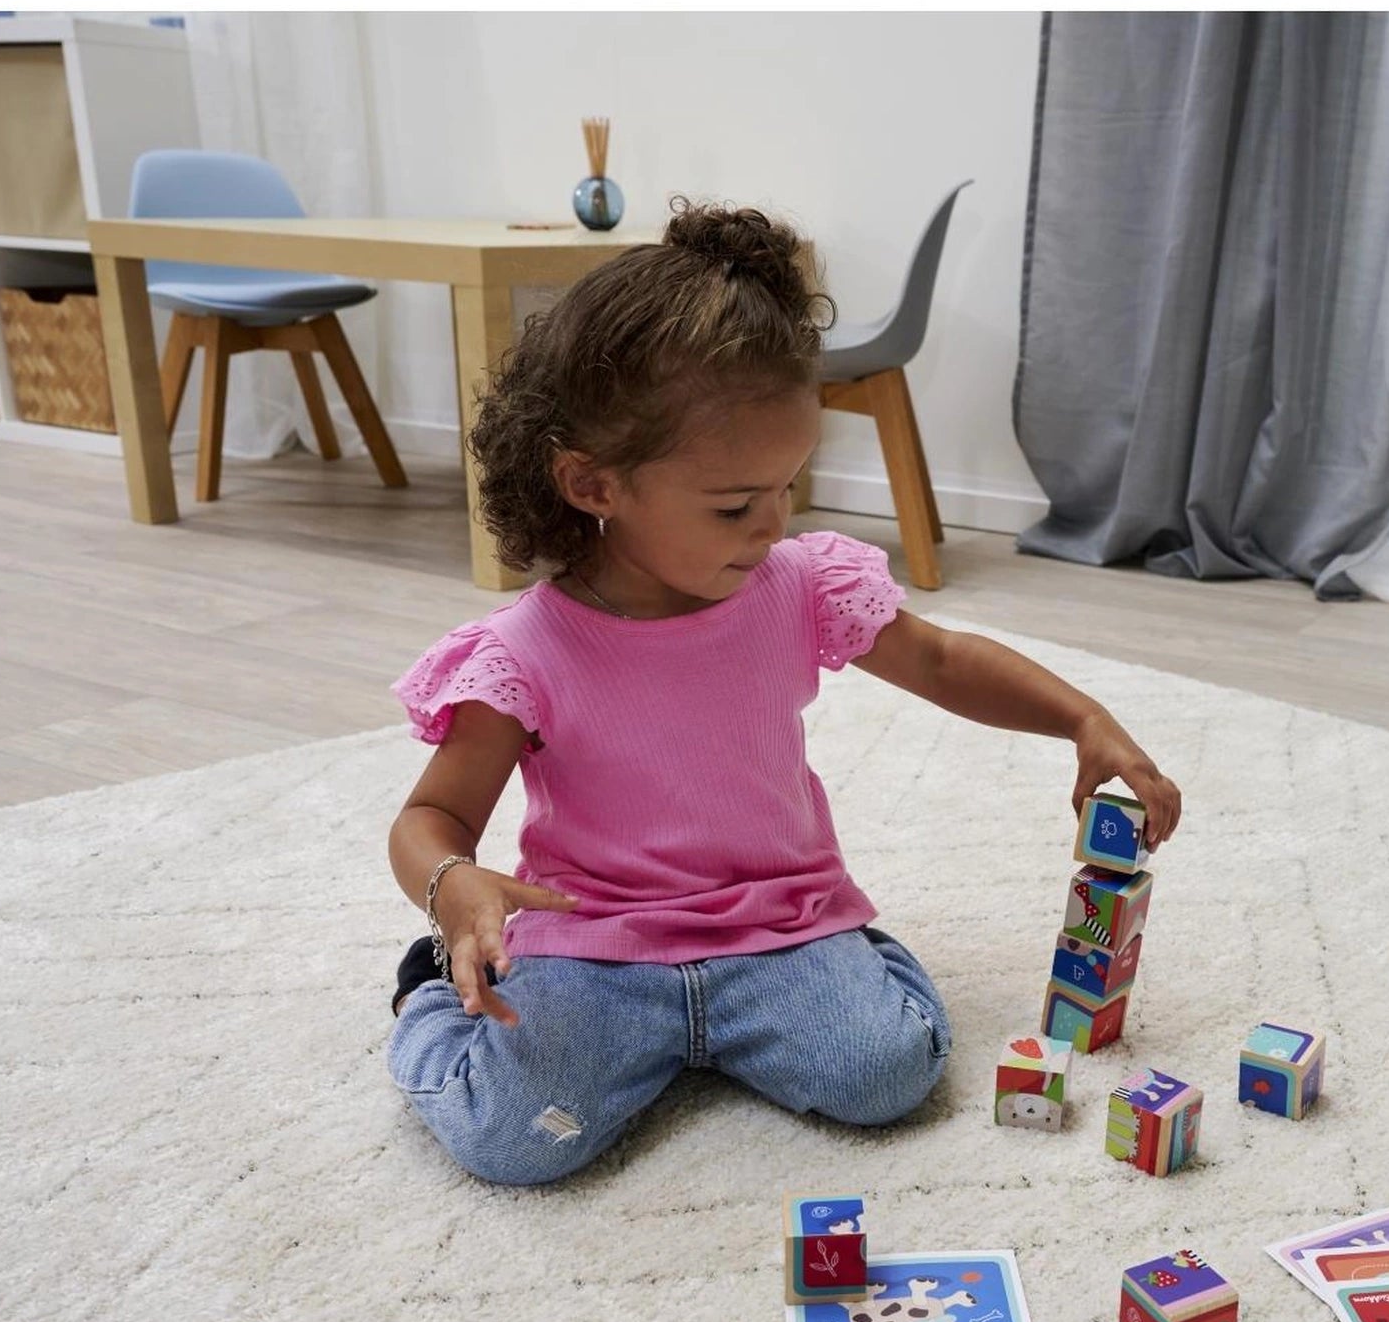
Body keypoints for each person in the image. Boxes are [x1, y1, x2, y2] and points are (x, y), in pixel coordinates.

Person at [385, 198, 1183, 1185]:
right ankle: (427, 992)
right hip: (596, 946)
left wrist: (1082, 719)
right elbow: (430, 815)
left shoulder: (800, 585)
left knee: (887, 1073)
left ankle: (846, 956)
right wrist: (450, 883)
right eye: (734, 506)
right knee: (515, 1139)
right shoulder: (522, 652)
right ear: (593, 486)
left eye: (786, 489)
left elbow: (940, 660)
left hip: (777, 924)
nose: (771, 526)